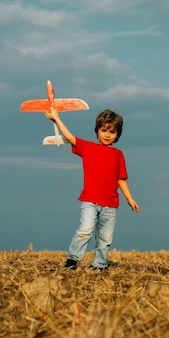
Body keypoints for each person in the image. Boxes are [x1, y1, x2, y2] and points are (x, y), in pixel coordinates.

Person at [45, 107, 140, 270]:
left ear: (118, 134)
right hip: (90, 201)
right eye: (104, 130)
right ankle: (72, 261)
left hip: (110, 204)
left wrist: (129, 198)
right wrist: (56, 119)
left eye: (112, 132)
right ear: (97, 131)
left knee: (105, 238)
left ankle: (99, 265)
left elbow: (121, 179)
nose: (107, 135)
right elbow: (69, 137)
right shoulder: (88, 148)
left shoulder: (118, 155)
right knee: (85, 230)